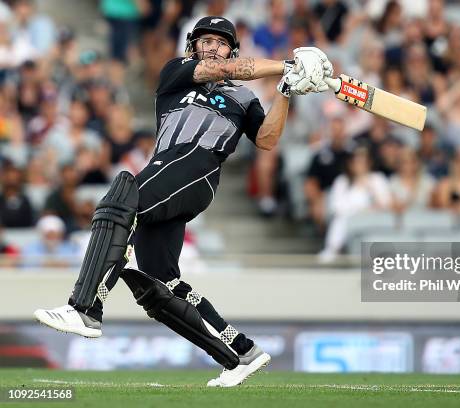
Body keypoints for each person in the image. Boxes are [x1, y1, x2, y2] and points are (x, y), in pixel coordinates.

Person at [33, 16, 333, 387]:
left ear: (232, 47)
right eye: (204, 40)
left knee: (120, 198)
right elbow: (223, 69)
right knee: (159, 283)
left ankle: (85, 309)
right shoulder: (177, 71)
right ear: (193, 46)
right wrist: (285, 65)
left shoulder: (245, 98)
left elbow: (268, 139)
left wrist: (286, 89)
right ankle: (239, 353)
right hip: (170, 168)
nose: (211, 46)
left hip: (198, 166)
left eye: (220, 42)